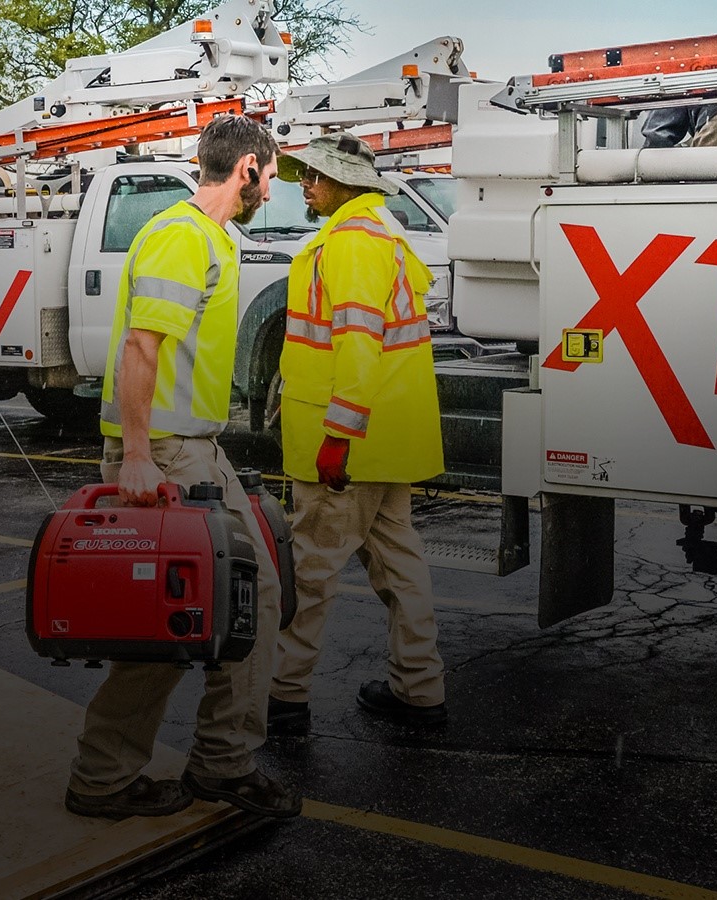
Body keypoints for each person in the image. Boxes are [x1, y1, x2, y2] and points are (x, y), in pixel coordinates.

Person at [65, 114, 301, 821]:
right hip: (167, 454)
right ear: (249, 170)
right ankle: (202, 766)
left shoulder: (207, 238)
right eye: (274, 169)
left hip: (189, 447)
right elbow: (141, 348)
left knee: (187, 613)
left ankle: (119, 773)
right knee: (216, 608)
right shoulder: (181, 237)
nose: (278, 183)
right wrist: (137, 457)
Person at [265, 133, 448, 735]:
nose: (305, 185)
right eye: (306, 175)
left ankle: (286, 700)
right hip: (386, 439)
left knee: (311, 570)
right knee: (400, 567)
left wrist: (338, 433)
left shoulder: (349, 241)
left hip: (347, 442)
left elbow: (358, 339)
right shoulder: (383, 231)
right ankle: (420, 690)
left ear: (350, 184)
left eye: (317, 176)